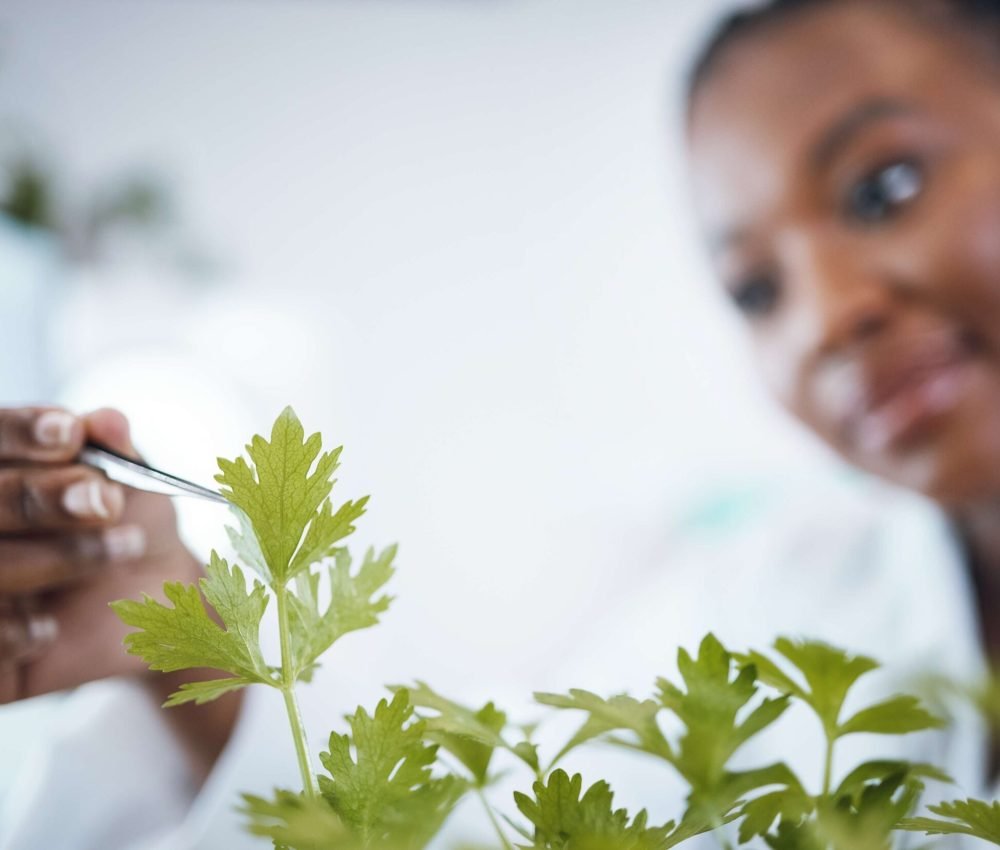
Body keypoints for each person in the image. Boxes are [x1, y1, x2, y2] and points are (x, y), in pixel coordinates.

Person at [4, 0, 1000, 845]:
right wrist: (183, 640)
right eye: (754, 289)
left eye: (885, 188)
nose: (827, 317)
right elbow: (505, 811)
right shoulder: (790, 594)